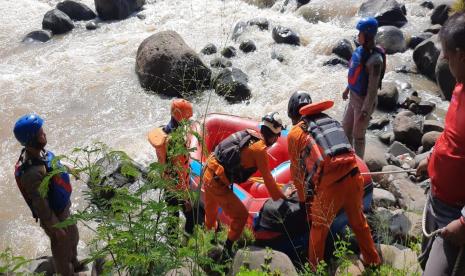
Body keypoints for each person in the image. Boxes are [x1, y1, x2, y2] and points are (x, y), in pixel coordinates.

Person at [287, 91, 381, 269]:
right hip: (354, 177)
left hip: (330, 189)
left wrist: (302, 202)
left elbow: (297, 173)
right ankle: (372, 260)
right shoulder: (330, 120)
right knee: (359, 222)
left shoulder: (295, 133)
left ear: (293, 112)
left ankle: (315, 269)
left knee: (318, 231)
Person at [202, 112, 293, 259]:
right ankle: (226, 251)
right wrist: (283, 194)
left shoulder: (248, 133)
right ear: (272, 136)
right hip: (217, 183)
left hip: (208, 170)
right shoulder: (260, 150)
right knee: (241, 216)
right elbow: (269, 182)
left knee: (210, 212)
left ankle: (208, 240)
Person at [416, 11, 465, 276]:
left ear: (462, 54)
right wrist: (432, 157)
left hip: (456, 214)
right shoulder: (460, 86)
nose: (443, 57)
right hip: (439, 199)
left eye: (447, 52)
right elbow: (451, 134)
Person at [13, 114, 80, 276]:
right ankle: (67, 272)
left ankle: (75, 263)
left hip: (63, 209)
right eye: (40, 133)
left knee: (74, 237)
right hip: (54, 216)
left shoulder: (39, 152)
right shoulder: (31, 173)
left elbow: (52, 162)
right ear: (31, 139)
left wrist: (69, 168)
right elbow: (40, 203)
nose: (44, 134)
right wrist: (55, 226)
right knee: (61, 249)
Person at [148, 99, 195, 236]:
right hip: (178, 186)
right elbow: (179, 170)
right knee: (191, 217)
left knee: (172, 216)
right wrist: (186, 197)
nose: (189, 119)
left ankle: (170, 243)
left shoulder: (163, 131)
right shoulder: (176, 140)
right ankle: (188, 239)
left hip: (166, 182)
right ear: (183, 117)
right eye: (188, 117)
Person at [342, 17, 386, 158]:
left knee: (358, 135)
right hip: (353, 97)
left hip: (363, 101)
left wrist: (365, 112)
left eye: (360, 33)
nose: (357, 35)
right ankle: (349, 159)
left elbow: (372, 90)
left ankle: (359, 166)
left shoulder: (375, 60)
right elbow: (355, 72)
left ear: (367, 36)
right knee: (345, 128)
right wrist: (347, 88)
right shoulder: (360, 50)